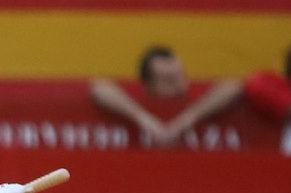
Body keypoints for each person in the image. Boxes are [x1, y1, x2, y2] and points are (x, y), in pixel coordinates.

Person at [89, 46, 242, 148]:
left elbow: (233, 86)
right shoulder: (136, 99)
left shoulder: (196, 97)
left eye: (181, 76)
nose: (179, 86)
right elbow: (100, 88)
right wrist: (143, 118)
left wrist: (186, 119)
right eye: (169, 80)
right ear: (149, 85)